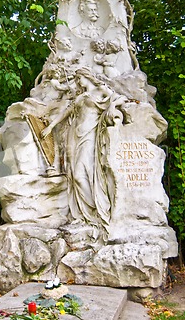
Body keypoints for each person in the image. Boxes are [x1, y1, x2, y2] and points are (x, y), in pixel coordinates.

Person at [41, 68, 128, 227]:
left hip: (90, 136)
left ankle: (94, 213)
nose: (78, 82)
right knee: (74, 175)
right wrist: (51, 126)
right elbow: (67, 112)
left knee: (82, 175)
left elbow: (121, 99)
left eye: (79, 78)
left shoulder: (100, 90)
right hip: (74, 136)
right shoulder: (80, 97)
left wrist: (113, 105)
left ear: (85, 76)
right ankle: (83, 215)